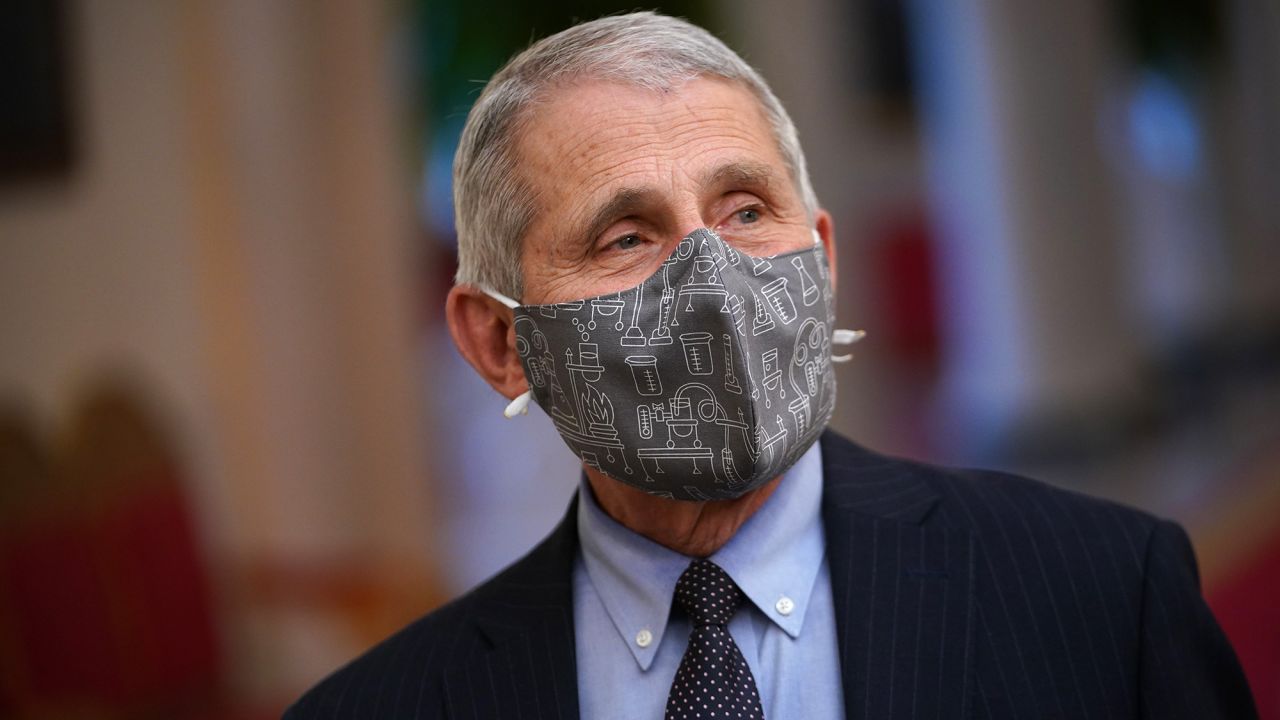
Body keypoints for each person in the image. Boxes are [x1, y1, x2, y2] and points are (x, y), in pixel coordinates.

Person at [285, 12, 1255, 719]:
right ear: (501, 344)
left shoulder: (1102, 594)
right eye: (625, 236)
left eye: (744, 210)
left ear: (822, 262)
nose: (709, 283)